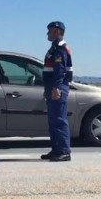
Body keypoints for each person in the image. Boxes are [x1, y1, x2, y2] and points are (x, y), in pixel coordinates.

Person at [41, 21, 73, 162]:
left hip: (58, 87)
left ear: (57, 31)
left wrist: (56, 88)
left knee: (59, 120)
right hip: (52, 87)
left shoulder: (60, 48)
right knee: (53, 121)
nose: (48, 33)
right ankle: (56, 149)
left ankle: (64, 151)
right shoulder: (53, 48)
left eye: (50, 30)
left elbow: (60, 71)